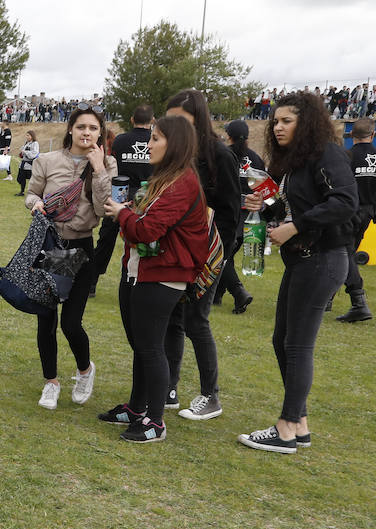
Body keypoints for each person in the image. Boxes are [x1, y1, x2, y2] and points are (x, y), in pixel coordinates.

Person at [238, 91, 357, 453]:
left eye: (286, 121)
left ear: (306, 122)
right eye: (275, 121)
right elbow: (285, 207)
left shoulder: (327, 153)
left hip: (323, 258)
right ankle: (299, 423)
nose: (277, 127)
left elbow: (344, 202)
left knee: (298, 344)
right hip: (302, 259)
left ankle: (287, 427)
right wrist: (264, 202)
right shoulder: (293, 162)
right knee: (282, 341)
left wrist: (296, 226)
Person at [98, 115, 209, 442]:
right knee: (143, 346)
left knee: (151, 347)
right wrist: (130, 212)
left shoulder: (182, 181)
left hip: (165, 274)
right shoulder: (165, 178)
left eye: (156, 139)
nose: (148, 144)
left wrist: (123, 214)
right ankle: (136, 408)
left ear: (173, 144)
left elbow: (147, 229)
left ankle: (155, 421)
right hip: (143, 269)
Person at [24, 106, 115, 410]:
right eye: (81, 127)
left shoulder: (106, 164)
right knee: (46, 318)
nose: (86, 132)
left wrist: (100, 169)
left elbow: (103, 210)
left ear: (100, 133)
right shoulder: (48, 160)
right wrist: (35, 203)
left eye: (92, 128)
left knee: (71, 323)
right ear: (71, 130)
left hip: (81, 248)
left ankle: (85, 370)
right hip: (50, 244)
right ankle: (51, 382)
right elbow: (31, 193)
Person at [162, 89, 240, 420]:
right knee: (172, 319)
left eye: (182, 120)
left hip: (209, 254)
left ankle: (211, 396)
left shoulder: (220, 155)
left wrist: (215, 255)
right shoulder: (175, 153)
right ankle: (168, 387)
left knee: (197, 320)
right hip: (177, 251)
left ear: (199, 118)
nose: (175, 126)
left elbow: (230, 212)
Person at [91, 105, 154, 295]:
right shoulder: (155, 141)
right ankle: (136, 281)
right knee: (143, 241)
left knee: (106, 240)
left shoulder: (120, 140)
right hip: (147, 196)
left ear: (132, 120)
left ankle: (91, 282)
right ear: (152, 121)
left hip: (120, 194)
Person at [215, 119, 263, 311]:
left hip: (230, 214)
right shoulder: (257, 158)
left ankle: (239, 293)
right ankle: (217, 295)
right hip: (250, 217)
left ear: (229, 136)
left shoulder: (224, 155)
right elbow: (264, 188)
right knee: (228, 256)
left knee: (220, 256)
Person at [335, 118, 376, 322]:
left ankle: (358, 301)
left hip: (348, 212)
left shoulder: (347, 156)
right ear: (372, 134)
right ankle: (327, 299)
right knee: (345, 253)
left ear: (351, 135)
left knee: (344, 253)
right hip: (368, 212)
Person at [14, 130, 39, 196]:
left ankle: (33, 192)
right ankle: (22, 191)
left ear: (32, 136)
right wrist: (21, 153)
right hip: (23, 164)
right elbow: (23, 152)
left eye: (28, 135)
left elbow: (34, 153)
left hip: (30, 165)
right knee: (20, 178)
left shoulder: (35, 143)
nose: (27, 137)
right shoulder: (26, 143)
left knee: (32, 179)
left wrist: (25, 152)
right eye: (26, 135)